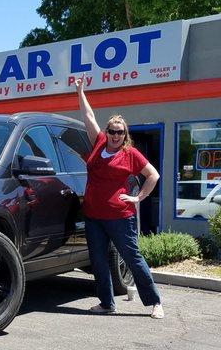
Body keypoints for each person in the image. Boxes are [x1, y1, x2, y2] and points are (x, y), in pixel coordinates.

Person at [74, 73, 164, 319]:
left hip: (119, 216)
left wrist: (137, 199)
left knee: (132, 258)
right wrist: (80, 92)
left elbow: (153, 175)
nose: (115, 135)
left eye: (120, 132)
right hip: (93, 216)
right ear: (107, 131)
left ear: (125, 134)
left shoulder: (131, 154)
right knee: (99, 263)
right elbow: (88, 117)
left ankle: (155, 302)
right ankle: (106, 303)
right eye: (112, 131)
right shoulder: (99, 143)